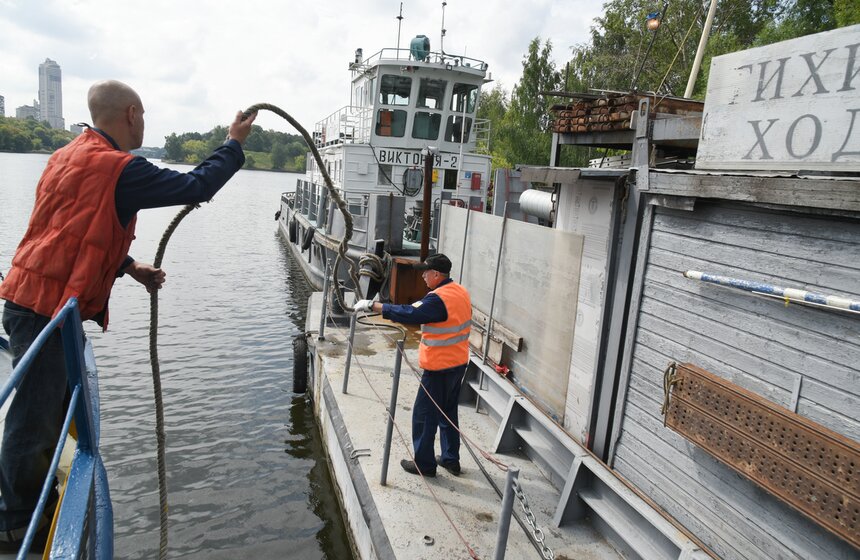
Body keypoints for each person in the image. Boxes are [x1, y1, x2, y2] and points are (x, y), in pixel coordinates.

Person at [0, 79, 256, 550]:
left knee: (45, 408)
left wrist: (128, 266)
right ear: (133, 114)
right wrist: (232, 145)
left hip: (28, 298)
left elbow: (70, 231)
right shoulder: (119, 169)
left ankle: (31, 498)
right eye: (146, 116)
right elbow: (196, 185)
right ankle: (17, 521)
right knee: (33, 416)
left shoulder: (67, 155)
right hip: (46, 309)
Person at [355, 253, 472, 477]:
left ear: (436, 274)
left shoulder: (437, 299)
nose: (422, 276)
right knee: (448, 413)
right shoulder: (460, 292)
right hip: (458, 363)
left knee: (424, 415)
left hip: (439, 368)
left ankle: (425, 465)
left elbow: (410, 313)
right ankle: (450, 459)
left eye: (425, 272)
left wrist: (374, 305)